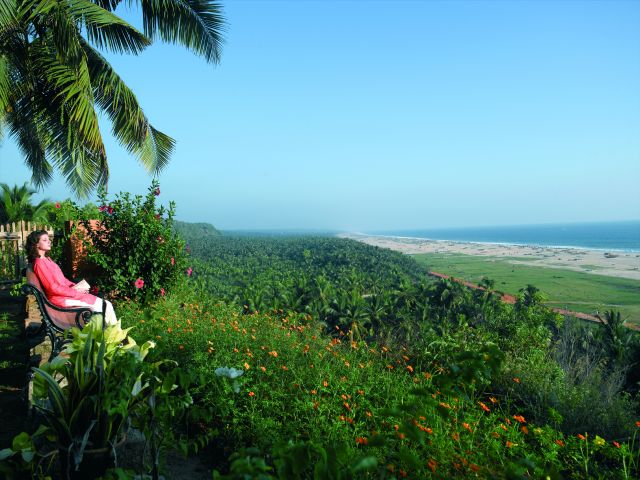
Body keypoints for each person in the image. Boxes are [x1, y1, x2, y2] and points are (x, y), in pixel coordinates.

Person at [25, 230, 118, 326]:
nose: (49, 241)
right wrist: (75, 292)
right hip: (60, 299)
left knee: (105, 305)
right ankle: (113, 337)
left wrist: (76, 286)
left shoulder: (47, 260)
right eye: (44, 240)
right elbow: (52, 288)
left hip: (64, 295)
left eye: (48, 239)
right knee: (105, 305)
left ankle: (112, 335)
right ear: (36, 244)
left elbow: (63, 280)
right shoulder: (40, 264)